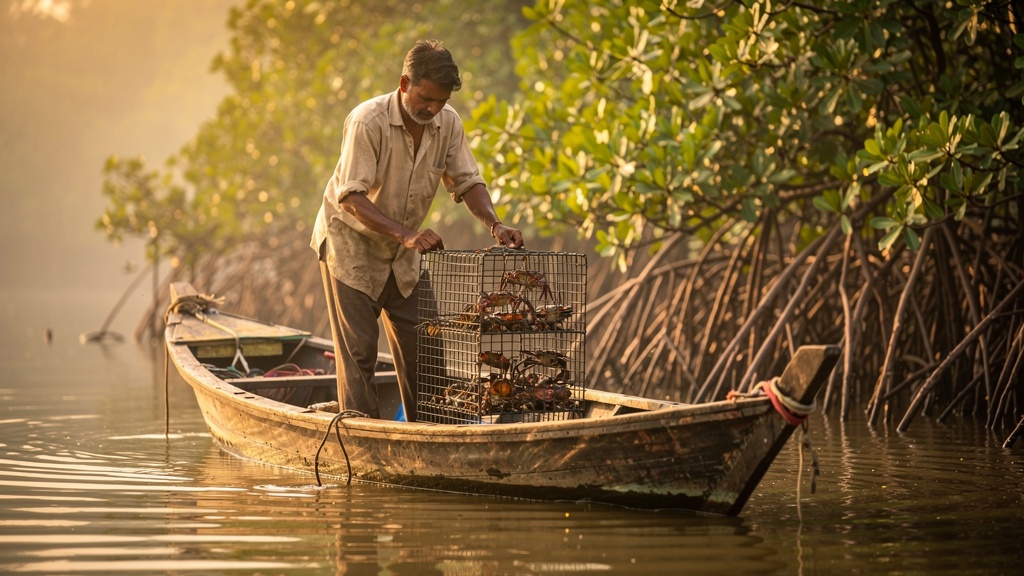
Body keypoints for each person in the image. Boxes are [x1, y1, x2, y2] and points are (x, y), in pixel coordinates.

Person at [311, 40, 524, 422]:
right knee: (359, 353)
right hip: (350, 247)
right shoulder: (367, 121)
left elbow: (468, 181)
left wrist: (495, 224)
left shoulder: (448, 123)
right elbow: (350, 198)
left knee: (425, 349)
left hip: (402, 254)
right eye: (426, 98)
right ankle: (363, 441)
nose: (433, 109)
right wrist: (407, 235)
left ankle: (431, 434)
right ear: (404, 83)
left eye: (441, 101)